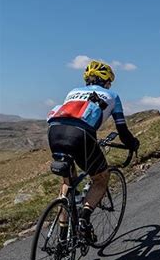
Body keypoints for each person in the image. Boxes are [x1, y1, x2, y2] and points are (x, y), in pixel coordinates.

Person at [47, 60, 139, 242]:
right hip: (81, 136)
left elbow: (72, 118)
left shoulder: (73, 92)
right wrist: (133, 144)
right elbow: (122, 130)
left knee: (68, 182)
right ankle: (84, 218)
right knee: (100, 179)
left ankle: (62, 238)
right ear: (106, 81)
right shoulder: (112, 95)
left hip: (54, 132)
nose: (110, 85)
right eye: (109, 82)